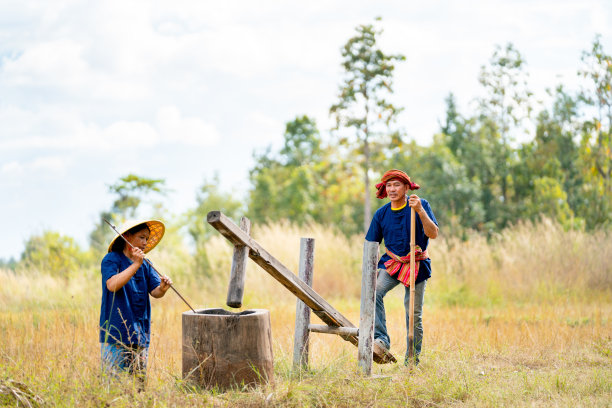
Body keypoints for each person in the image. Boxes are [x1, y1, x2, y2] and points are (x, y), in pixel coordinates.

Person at [365, 169, 438, 366]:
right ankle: (381, 340)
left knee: (413, 313)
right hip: (393, 263)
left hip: (417, 264)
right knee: (374, 293)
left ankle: (412, 360)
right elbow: (371, 244)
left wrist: (420, 211)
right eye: (388, 185)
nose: (392, 189)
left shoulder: (420, 206)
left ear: (407, 187)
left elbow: (433, 233)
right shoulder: (381, 214)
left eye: (396, 184)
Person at [99, 219, 173, 386]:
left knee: (137, 387)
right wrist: (135, 264)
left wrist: (163, 287)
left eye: (147, 239)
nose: (145, 243)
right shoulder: (112, 259)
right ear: (126, 236)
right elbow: (112, 285)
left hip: (139, 333)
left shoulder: (146, 265)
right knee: (114, 385)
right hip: (115, 333)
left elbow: (156, 292)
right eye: (141, 237)